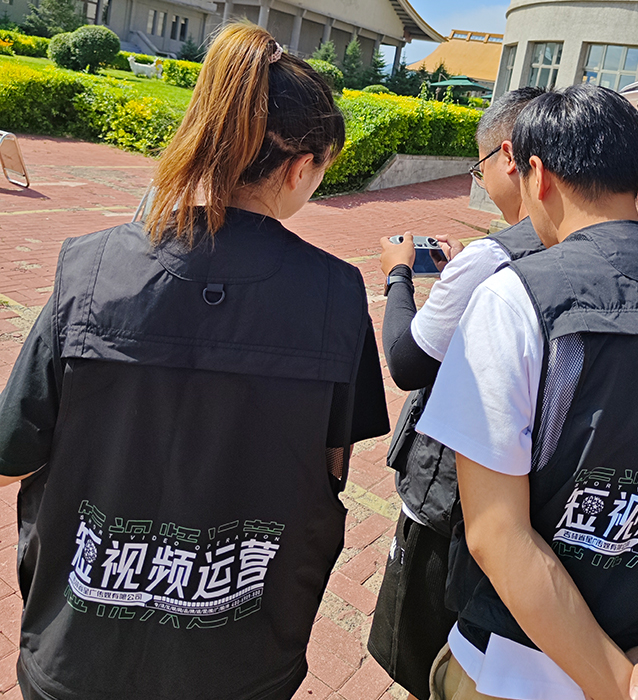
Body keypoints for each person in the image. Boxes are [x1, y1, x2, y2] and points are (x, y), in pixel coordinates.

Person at [0, 22, 389, 700]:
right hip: (241, 658)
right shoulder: (335, 292)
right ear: (300, 167)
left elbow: (13, 452)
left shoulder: (90, 268)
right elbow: (328, 469)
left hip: (78, 655)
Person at [417, 83, 638, 700]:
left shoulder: (517, 297)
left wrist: (614, 685)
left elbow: (496, 531)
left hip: (516, 671)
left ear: (537, 175)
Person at [367, 88, 546, 700]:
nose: (481, 179)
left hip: (453, 496)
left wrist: (398, 273)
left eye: (479, 166)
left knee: (423, 653)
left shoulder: (491, 258)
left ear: (508, 158)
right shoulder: (573, 247)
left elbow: (406, 361)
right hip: (532, 497)